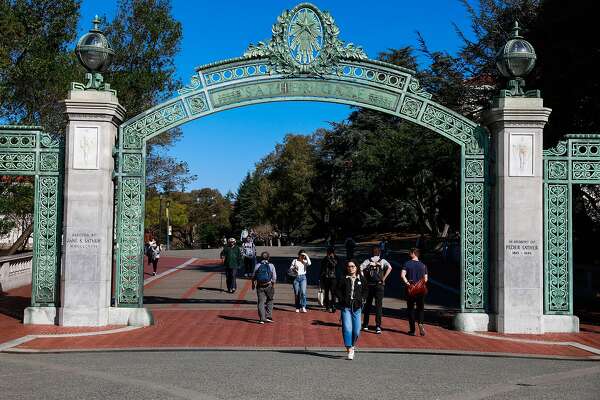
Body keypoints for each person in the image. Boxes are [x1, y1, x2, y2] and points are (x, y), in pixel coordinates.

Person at [336, 260, 367, 360]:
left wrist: (362, 299)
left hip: (357, 308)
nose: (351, 268)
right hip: (346, 307)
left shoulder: (361, 279)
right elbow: (337, 290)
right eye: (349, 266)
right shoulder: (343, 279)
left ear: (356, 267)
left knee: (357, 330)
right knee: (347, 328)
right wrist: (342, 299)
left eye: (353, 266)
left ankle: (353, 345)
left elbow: (366, 290)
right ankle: (349, 349)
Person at [360, 246, 392, 334]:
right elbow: (390, 268)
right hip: (379, 285)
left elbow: (360, 268)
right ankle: (378, 326)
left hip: (369, 285)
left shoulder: (368, 261)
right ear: (379, 253)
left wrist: (364, 279)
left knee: (368, 305)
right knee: (378, 306)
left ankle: (365, 324)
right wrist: (384, 278)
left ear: (372, 252)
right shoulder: (382, 261)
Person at [401, 248, 428, 336]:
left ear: (413, 253)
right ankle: (420, 323)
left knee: (411, 309)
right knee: (420, 309)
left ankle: (412, 330)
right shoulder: (423, 265)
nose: (409, 254)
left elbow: (402, 275)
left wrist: (408, 283)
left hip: (411, 289)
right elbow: (426, 279)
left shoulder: (407, 263)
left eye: (410, 252)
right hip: (421, 290)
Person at [252, 251, 277, 324]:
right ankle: (268, 316)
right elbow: (274, 277)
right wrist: (273, 284)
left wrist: (253, 284)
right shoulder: (271, 265)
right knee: (270, 300)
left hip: (259, 285)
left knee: (261, 302)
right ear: (268, 258)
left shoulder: (257, 265)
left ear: (261, 258)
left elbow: (253, 276)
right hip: (268, 285)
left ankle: (262, 318)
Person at [320, 247, 339, 313]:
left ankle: (333, 305)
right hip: (326, 277)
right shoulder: (325, 259)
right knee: (326, 293)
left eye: (330, 252)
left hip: (333, 277)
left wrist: (329, 259)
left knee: (333, 293)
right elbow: (322, 268)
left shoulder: (336, 258)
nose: (328, 254)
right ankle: (327, 306)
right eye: (328, 252)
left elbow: (334, 265)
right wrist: (320, 278)